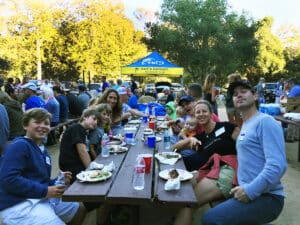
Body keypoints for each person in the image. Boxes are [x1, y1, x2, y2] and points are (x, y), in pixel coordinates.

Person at [202, 80, 287, 225]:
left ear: (255, 96)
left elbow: (277, 165)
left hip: (267, 197)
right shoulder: (246, 124)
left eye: (243, 91)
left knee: (211, 219)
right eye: (235, 94)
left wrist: (249, 191)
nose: (238, 96)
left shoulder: (265, 121)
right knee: (214, 201)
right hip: (244, 190)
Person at [0, 108, 86, 225]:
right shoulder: (19, 146)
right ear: (25, 126)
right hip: (19, 205)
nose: (43, 126)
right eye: (37, 122)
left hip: (39, 197)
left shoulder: (43, 150)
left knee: (77, 209)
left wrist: (57, 180)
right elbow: (8, 179)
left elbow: (40, 180)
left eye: (46, 123)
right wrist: (45, 191)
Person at [174, 100, 240, 225]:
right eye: (197, 112)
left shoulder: (226, 127)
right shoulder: (201, 137)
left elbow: (246, 144)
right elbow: (175, 148)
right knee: (182, 185)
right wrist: (189, 140)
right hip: (211, 172)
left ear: (211, 113)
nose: (201, 114)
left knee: (189, 203)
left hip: (228, 170)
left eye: (204, 111)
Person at [59, 108, 100, 183]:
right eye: (94, 119)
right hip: (72, 168)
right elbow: (82, 151)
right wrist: (90, 171)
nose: (96, 123)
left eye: (97, 121)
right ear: (84, 117)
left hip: (73, 166)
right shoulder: (78, 128)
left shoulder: (82, 130)